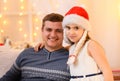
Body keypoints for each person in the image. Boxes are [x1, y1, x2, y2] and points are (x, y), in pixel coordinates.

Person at [34, 6, 114, 81]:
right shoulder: (72, 48)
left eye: (76, 28)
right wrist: (45, 43)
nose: (71, 32)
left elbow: (106, 70)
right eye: (68, 28)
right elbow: (58, 48)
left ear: (84, 29)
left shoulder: (91, 45)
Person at [0, 13, 70, 81]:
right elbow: (7, 78)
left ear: (64, 33)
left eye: (58, 31)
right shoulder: (26, 54)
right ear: (42, 30)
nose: (53, 35)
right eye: (49, 30)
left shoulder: (71, 58)